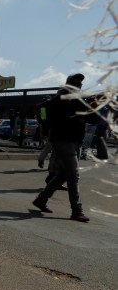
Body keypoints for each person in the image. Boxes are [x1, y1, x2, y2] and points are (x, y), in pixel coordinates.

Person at [31, 73, 98, 222]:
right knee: (73, 175)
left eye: (80, 84)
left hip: (73, 141)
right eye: (75, 84)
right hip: (62, 141)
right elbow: (41, 110)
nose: (78, 87)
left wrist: (93, 105)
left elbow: (92, 119)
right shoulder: (61, 100)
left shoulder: (77, 100)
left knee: (62, 175)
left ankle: (41, 200)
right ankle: (77, 210)